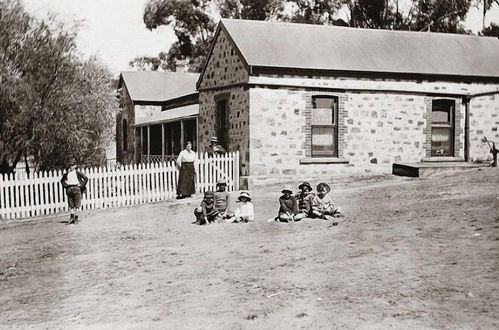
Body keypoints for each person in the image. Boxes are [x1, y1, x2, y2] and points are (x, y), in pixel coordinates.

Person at [60, 159, 88, 224]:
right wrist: (66, 185)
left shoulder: (78, 173)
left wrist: (81, 185)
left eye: (72, 165)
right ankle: (71, 218)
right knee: (71, 204)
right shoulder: (67, 174)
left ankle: (76, 218)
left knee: (77, 204)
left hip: (76, 188)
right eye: (70, 165)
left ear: (75, 166)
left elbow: (86, 179)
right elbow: (62, 180)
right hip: (69, 189)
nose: (71, 167)